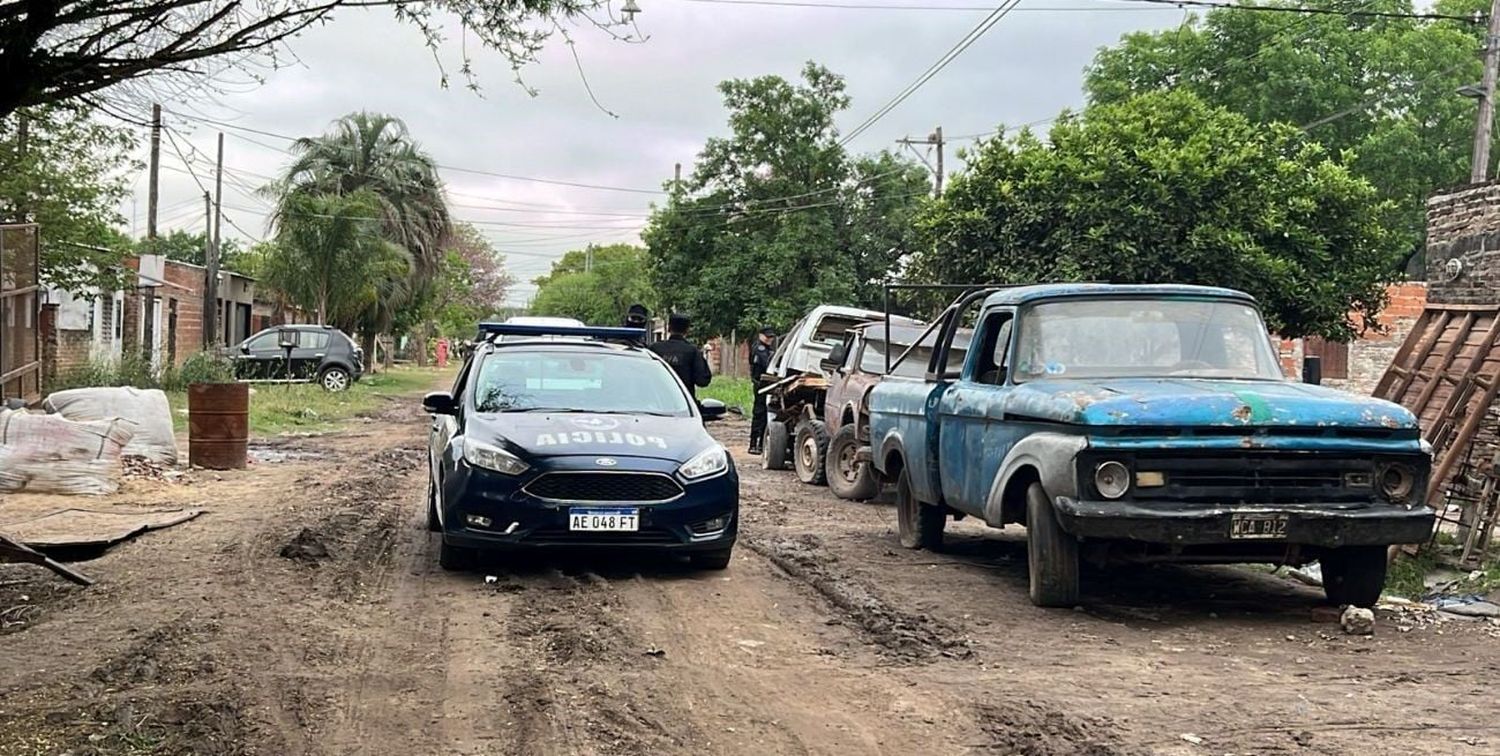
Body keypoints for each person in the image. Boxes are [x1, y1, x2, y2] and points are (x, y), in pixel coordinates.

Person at [649, 313, 712, 400]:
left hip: (655, 403)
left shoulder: (654, 349)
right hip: (683, 404)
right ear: (687, 330)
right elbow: (703, 380)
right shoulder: (692, 352)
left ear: (669, 328)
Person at [747, 326, 776, 455]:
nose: (770, 339)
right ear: (760, 335)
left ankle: (760, 444)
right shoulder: (759, 349)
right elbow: (767, 364)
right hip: (761, 385)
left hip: (765, 385)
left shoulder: (767, 349)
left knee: (765, 414)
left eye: (771, 337)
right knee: (760, 413)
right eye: (767, 336)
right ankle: (754, 443)